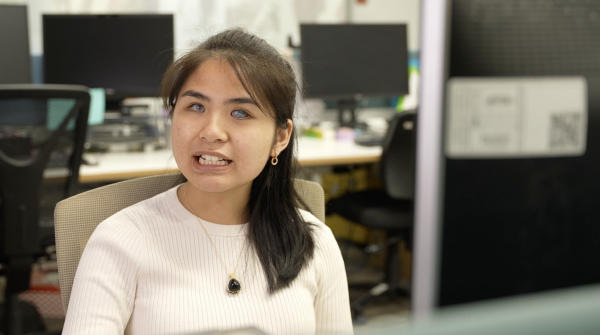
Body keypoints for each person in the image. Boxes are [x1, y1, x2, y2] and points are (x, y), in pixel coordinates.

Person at [62, 28, 353, 335]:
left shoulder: (316, 243)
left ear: (280, 137)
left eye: (240, 112)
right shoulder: (120, 240)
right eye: (196, 107)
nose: (212, 131)